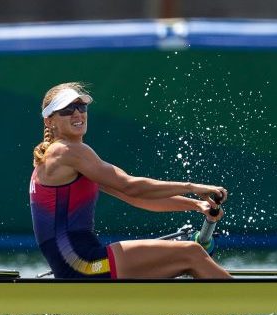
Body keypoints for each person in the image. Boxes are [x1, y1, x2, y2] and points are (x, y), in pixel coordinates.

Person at [29, 82, 232, 279]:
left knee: (189, 255)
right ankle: (243, 306)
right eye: (67, 109)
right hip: (81, 263)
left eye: (81, 106)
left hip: (76, 261)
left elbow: (135, 197)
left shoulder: (67, 158)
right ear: (49, 120)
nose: (77, 113)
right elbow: (131, 186)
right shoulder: (66, 151)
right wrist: (192, 187)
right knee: (192, 253)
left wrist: (196, 205)